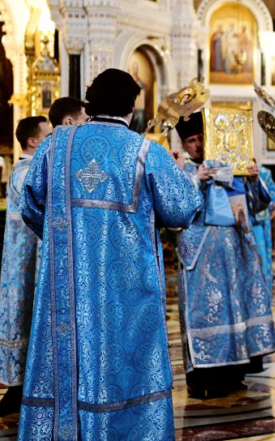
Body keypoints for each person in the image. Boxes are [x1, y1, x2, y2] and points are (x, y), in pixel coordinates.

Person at [16, 69, 202, 439]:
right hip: (126, 291)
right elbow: (183, 208)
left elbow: (30, 206)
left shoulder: (55, 145)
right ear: (131, 108)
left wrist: (63, 242)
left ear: (90, 102)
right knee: (122, 365)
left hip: (64, 286)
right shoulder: (145, 150)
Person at [174, 111, 275, 399]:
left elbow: (256, 207)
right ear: (184, 144)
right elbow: (176, 212)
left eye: (201, 138)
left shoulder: (232, 166)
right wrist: (196, 179)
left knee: (236, 311)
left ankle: (235, 372)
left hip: (235, 251)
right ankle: (205, 377)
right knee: (205, 313)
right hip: (201, 255)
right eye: (191, 140)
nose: (197, 144)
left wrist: (255, 180)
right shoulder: (180, 172)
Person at [0, 117, 51, 415]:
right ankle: (19, 390)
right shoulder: (24, 171)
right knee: (23, 317)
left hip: (29, 258)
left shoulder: (28, 169)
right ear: (33, 141)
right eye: (47, 135)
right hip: (24, 264)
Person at [251, 165, 275, 290]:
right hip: (239, 220)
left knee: (261, 257)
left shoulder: (264, 172)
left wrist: (269, 205)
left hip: (259, 222)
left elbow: (272, 193)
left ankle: (263, 290)